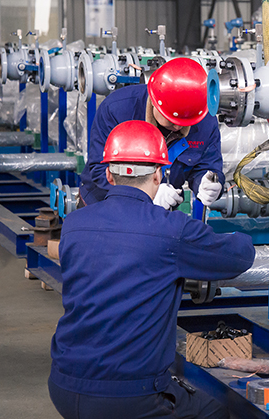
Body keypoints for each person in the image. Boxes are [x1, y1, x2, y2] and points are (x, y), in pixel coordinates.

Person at [49, 120, 255, 419]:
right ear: (159, 175)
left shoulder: (74, 224)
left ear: (108, 174)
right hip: (128, 397)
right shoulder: (171, 230)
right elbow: (239, 256)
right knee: (218, 413)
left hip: (63, 385)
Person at [80, 57, 223, 210]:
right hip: (105, 206)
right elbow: (100, 169)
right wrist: (145, 193)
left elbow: (207, 166)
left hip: (161, 212)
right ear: (154, 101)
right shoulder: (117, 110)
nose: (177, 127)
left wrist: (208, 184)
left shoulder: (204, 120)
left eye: (184, 121)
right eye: (171, 119)